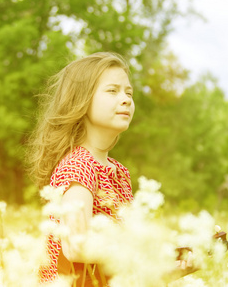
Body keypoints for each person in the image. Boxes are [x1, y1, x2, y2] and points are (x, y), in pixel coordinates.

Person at [28, 52, 192, 286]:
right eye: (112, 91)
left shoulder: (119, 172)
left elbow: (118, 268)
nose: (125, 99)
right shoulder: (79, 166)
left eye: (129, 93)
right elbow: (76, 246)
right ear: (81, 100)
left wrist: (164, 268)